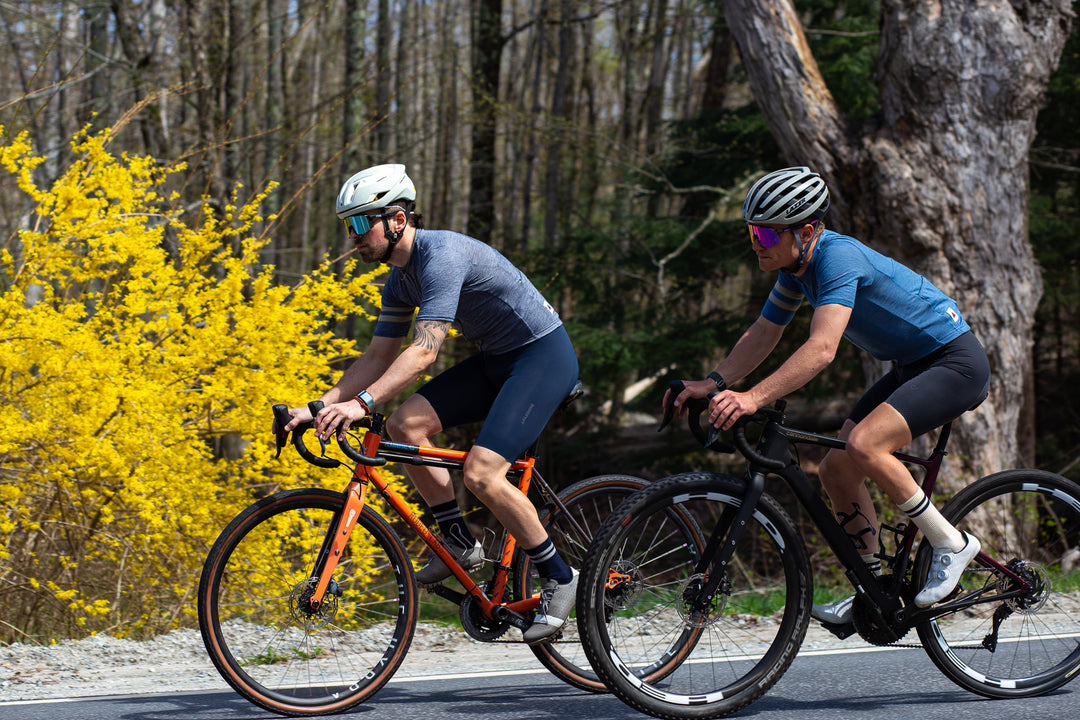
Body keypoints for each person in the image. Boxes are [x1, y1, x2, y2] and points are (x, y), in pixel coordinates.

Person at [668, 167, 990, 629]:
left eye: (764, 232)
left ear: (805, 230)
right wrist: (713, 382)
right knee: (839, 467)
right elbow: (764, 332)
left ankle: (952, 545)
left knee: (865, 444)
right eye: (751, 231)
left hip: (954, 362)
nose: (755, 242)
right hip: (913, 365)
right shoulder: (797, 269)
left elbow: (822, 349)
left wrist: (753, 398)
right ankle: (872, 585)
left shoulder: (835, 258)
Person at [281, 164, 580, 644]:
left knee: (483, 473)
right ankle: (460, 544)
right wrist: (318, 407)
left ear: (396, 219)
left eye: (360, 225)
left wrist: (360, 404)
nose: (353, 238)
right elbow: (378, 354)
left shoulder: (440, 256)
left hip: (542, 356)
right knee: (404, 425)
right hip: (497, 359)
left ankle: (561, 576)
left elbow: (423, 350)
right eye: (348, 227)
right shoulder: (401, 277)